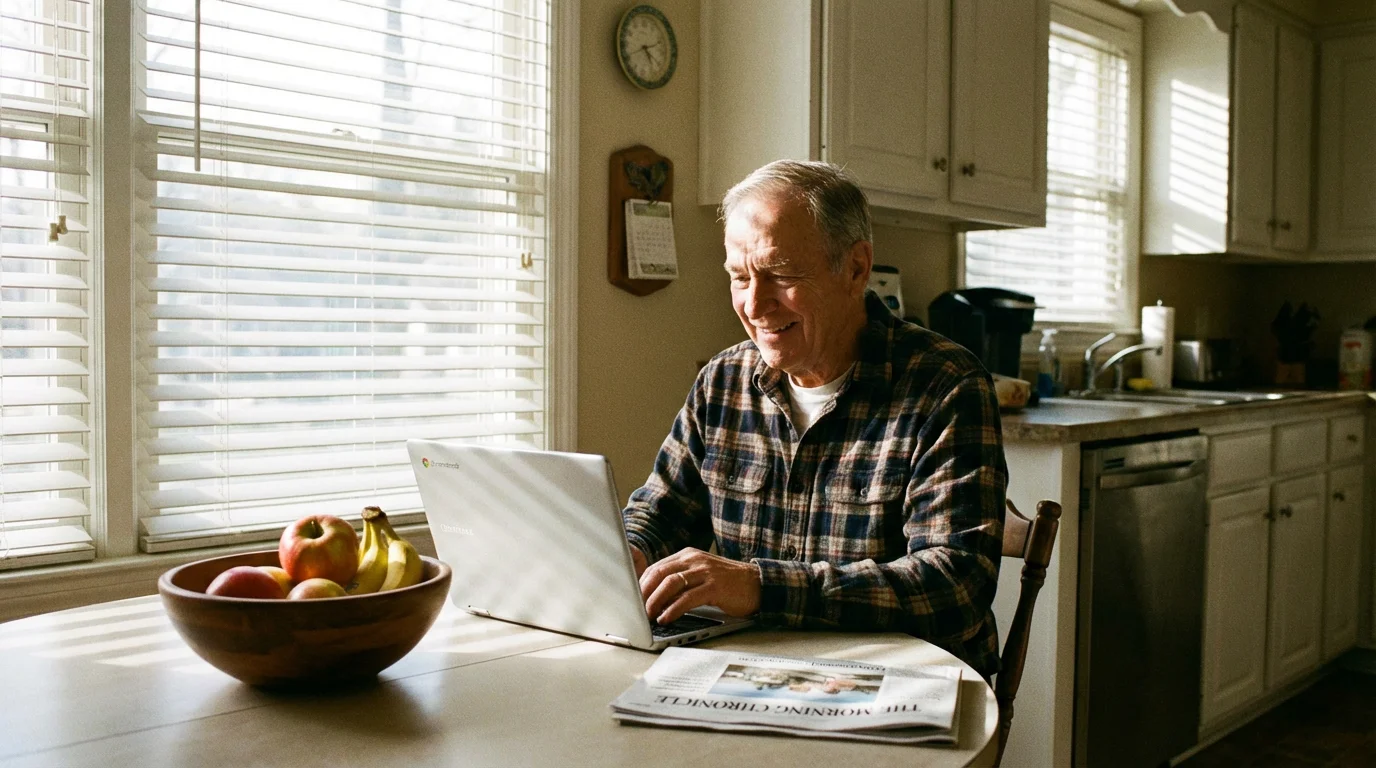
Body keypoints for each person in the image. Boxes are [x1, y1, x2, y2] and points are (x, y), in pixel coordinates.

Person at [621, 160, 1008, 679]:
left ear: (855, 268)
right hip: (755, 678)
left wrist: (760, 587)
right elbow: (661, 511)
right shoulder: (723, 382)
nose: (755, 304)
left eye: (781, 274)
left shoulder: (946, 386)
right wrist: (627, 553)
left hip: (901, 686)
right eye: (739, 277)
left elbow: (955, 585)